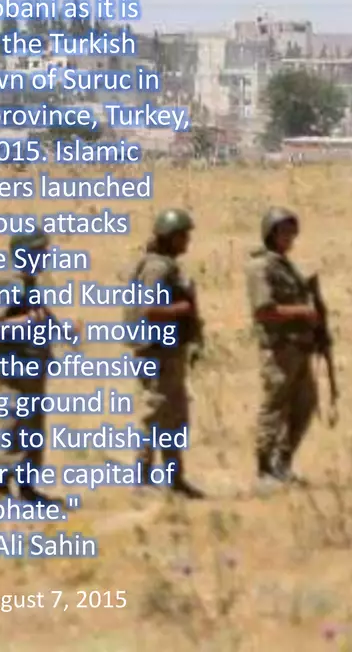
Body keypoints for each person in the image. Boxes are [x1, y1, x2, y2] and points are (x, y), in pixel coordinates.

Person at [127, 208, 205, 498]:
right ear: (170, 238)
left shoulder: (164, 265)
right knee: (155, 412)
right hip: (156, 352)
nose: (188, 241)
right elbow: (149, 309)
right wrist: (181, 310)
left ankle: (174, 478)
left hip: (169, 351)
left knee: (174, 415)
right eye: (183, 235)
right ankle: (142, 478)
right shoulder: (158, 268)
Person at [247, 207, 324, 487]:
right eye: (284, 231)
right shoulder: (261, 267)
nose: (290, 237)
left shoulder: (283, 265)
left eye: (293, 231)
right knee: (275, 406)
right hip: (279, 350)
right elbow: (264, 311)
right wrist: (303, 313)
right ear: (271, 233)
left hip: (298, 348)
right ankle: (264, 469)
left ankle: (283, 463)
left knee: (304, 405)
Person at [0, 230, 62, 505]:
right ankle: (3, 489)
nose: (44, 257)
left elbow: (42, 314)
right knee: (14, 425)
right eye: (39, 251)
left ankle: (26, 488)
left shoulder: (28, 282)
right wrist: (27, 324)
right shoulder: (9, 282)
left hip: (34, 367)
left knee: (33, 427)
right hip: (16, 367)